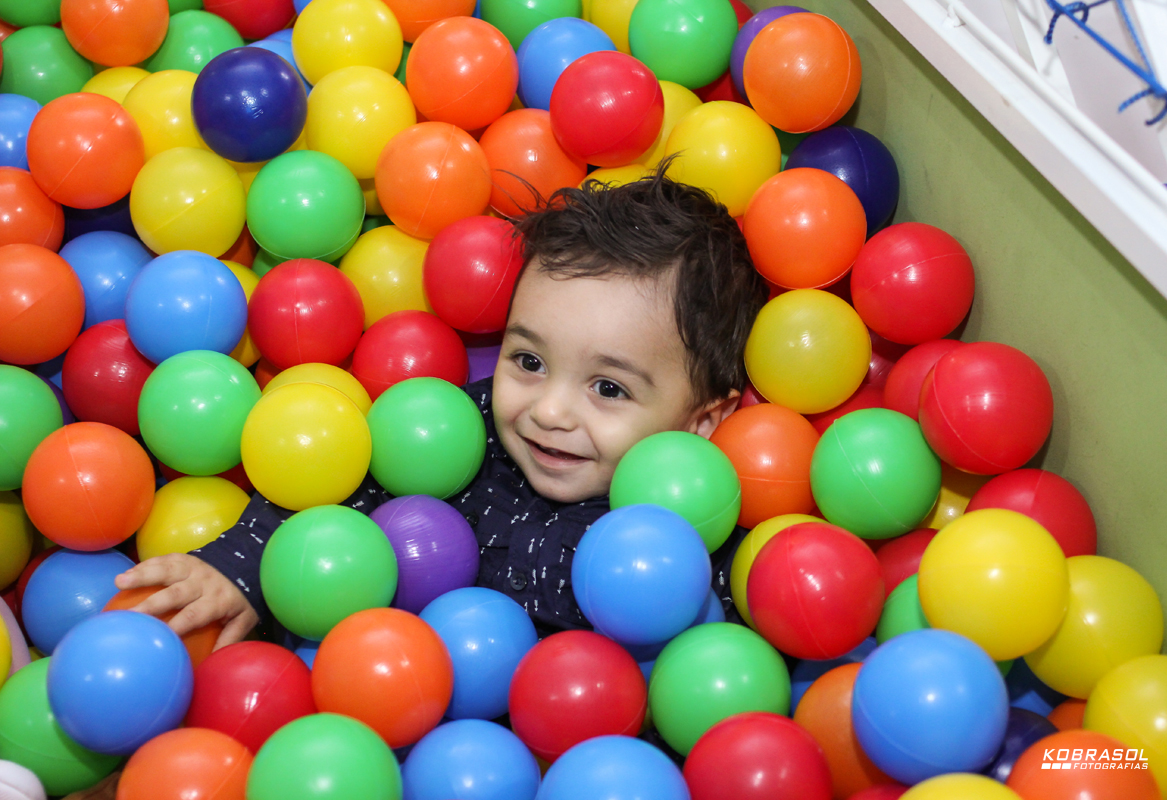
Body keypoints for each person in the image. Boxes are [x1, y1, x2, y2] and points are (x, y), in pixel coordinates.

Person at [114, 166, 769, 647]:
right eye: (530, 361)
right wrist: (244, 567)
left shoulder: (691, 539)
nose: (548, 412)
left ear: (702, 421)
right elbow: (342, 479)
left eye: (608, 388)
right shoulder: (463, 427)